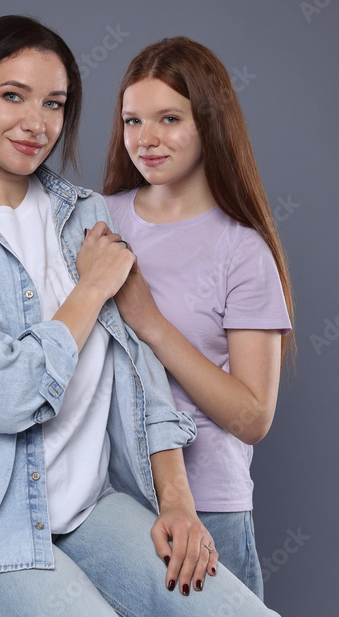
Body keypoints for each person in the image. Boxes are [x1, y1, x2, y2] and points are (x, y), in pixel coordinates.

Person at [0, 15, 279, 616]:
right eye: (12, 96)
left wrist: (175, 500)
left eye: (54, 104)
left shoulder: (86, 214)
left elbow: (142, 371)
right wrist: (91, 289)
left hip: (85, 513)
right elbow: (7, 397)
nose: (35, 123)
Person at [102, 36, 295, 600]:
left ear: (208, 121)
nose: (147, 139)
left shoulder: (242, 252)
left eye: (169, 118)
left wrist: (151, 323)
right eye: (132, 120)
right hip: (107, 499)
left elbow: (253, 415)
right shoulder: (99, 218)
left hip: (208, 510)